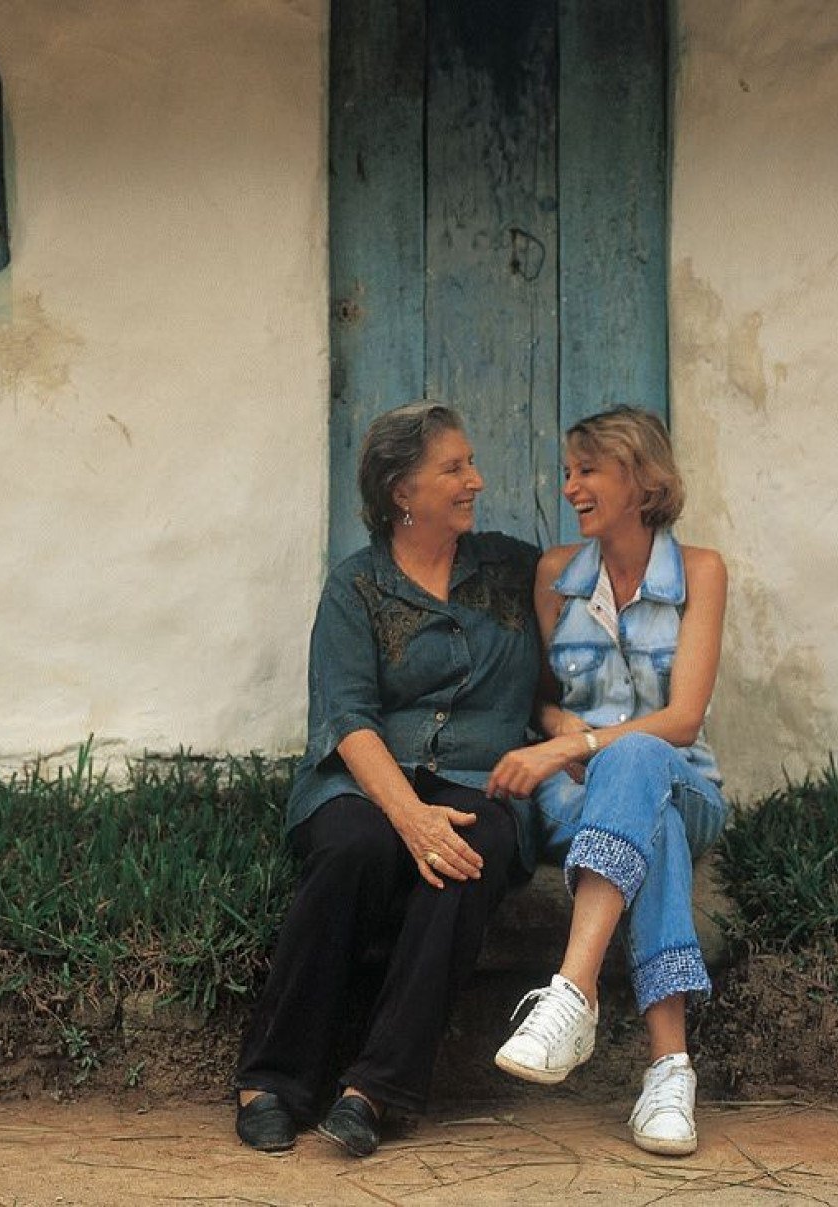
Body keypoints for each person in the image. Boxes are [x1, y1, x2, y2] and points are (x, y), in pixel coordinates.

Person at [234, 401, 541, 1157]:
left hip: (480, 778)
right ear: (403, 489)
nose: (475, 480)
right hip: (363, 779)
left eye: (470, 463)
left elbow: (608, 565)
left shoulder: (514, 569)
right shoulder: (355, 587)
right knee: (355, 848)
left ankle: (373, 1090)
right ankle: (272, 1077)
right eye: (454, 468)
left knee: (466, 856)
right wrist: (408, 815)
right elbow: (348, 717)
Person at [486, 405, 728, 1157]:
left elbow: (682, 720)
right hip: (579, 799)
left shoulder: (701, 572)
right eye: (568, 471)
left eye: (588, 470)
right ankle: (670, 1071)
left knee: (639, 760)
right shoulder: (556, 576)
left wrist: (575, 744)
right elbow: (541, 697)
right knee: (650, 823)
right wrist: (561, 727)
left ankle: (572, 992)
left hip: (685, 783)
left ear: (642, 479)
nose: (570, 487)